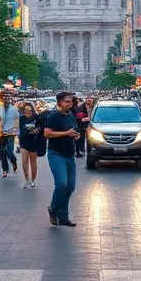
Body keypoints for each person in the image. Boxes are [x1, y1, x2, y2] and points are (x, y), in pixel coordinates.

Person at [44, 91, 80, 227]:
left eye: (71, 101)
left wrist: (76, 136)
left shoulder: (70, 115)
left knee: (70, 186)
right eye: (67, 101)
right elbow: (47, 133)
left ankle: (63, 216)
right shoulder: (53, 116)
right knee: (62, 184)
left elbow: (73, 130)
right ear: (59, 102)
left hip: (70, 155)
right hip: (56, 154)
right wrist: (66, 133)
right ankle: (53, 210)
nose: (70, 103)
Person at [0, 94, 20, 177]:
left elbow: (16, 119)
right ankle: (5, 169)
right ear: (2, 100)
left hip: (10, 133)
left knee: (10, 151)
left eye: (8, 99)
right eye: (5, 99)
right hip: (2, 133)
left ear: (10, 100)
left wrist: (15, 128)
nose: (6, 100)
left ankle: (14, 160)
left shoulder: (14, 109)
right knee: (2, 153)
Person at [18, 101, 42, 188]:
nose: (28, 113)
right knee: (24, 161)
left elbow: (41, 126)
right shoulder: (21, 118)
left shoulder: (37, 117)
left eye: (29, 111)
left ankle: (33, 180)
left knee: (33, 162)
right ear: (23, 111)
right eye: (26, 111)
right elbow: (22, 129)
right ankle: (27, 179)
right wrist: (30, 131)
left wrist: (37, 130)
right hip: (24, 141)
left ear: (32, 110)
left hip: (34, 142)